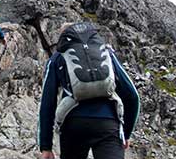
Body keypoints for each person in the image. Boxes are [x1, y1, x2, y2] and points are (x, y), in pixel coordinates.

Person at [37, 22, 140, 159]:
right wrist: (126, 134)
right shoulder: (106, 52)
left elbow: (47, 103)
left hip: (73, 123)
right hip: (108, 123)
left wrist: (46, 146)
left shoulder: (57, 57)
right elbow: (132, 96)